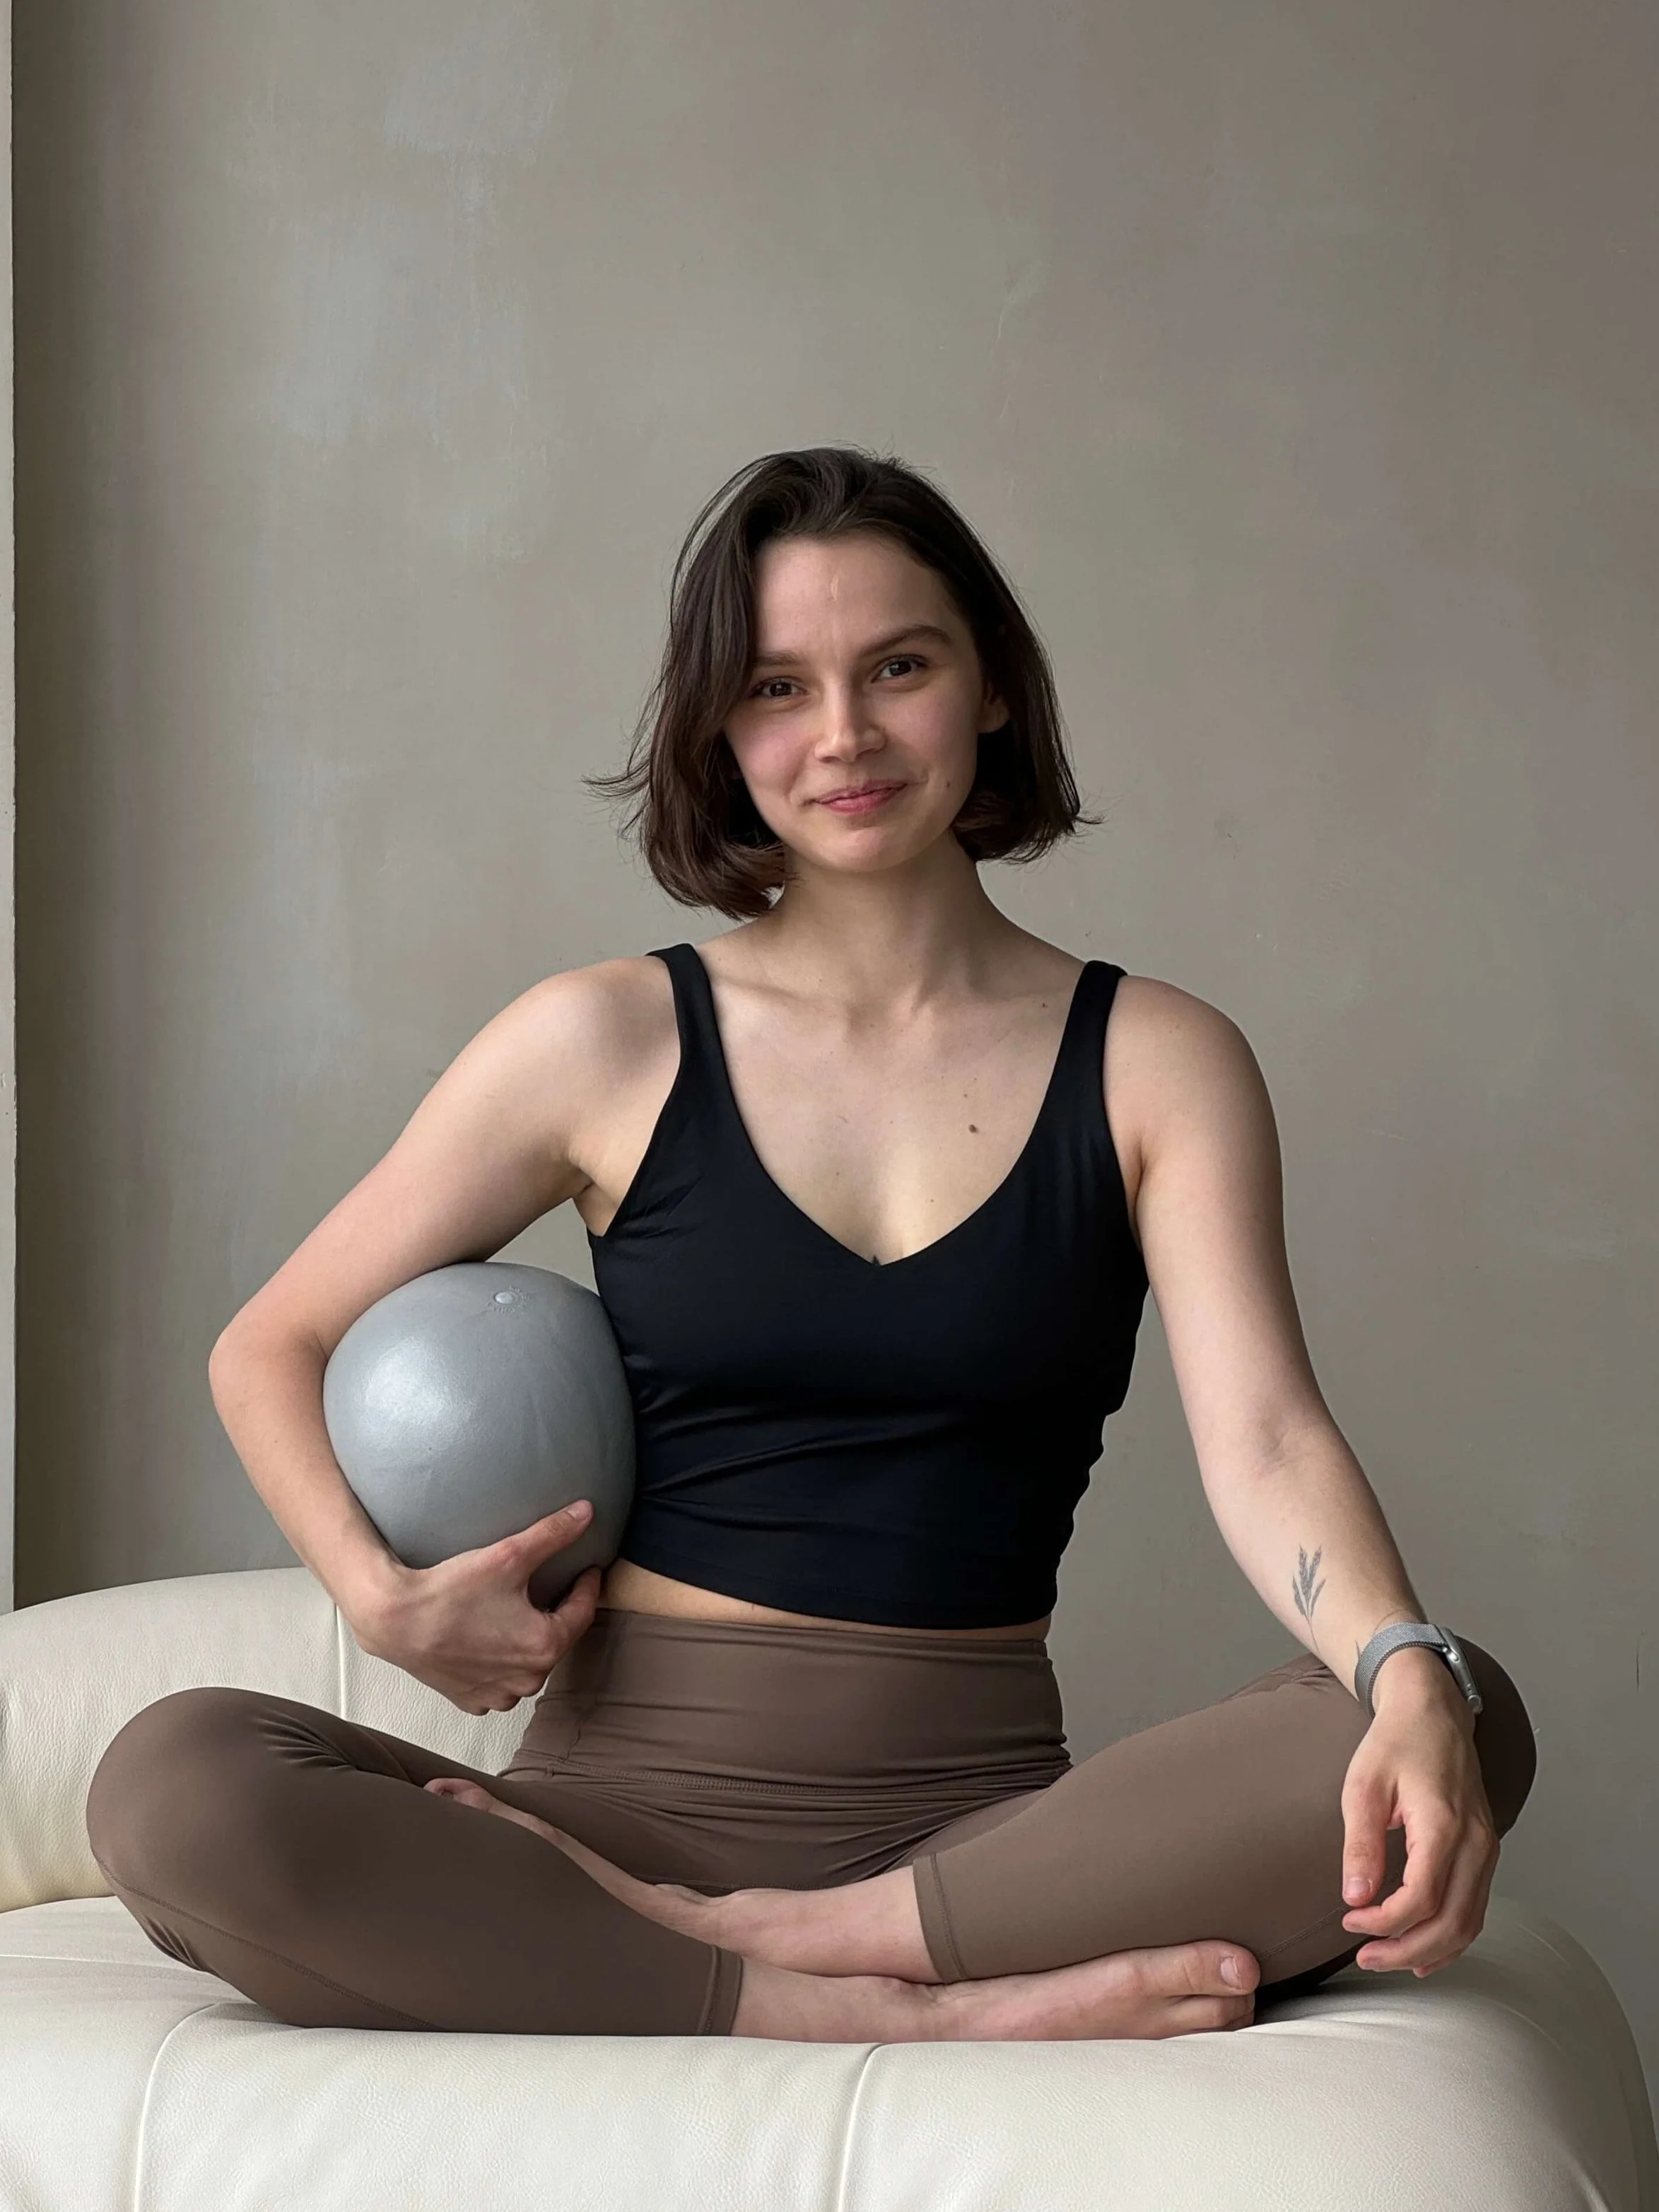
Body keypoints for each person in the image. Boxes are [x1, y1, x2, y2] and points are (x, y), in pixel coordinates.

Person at [86, 446, 1535, 2044]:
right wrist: (379, 1598)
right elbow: (268, 1346)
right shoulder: (603, 1040)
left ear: (988, 686)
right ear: (722, 727)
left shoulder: (1157, 1060)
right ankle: (874, 2010)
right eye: (778, 686)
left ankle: (800, 1945)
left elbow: (1265, 1437)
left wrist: (1399, 1662)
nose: (841, 734)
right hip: (606, 1831)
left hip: (990, 1847)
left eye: (896, 667)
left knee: (1458, 1710)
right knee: (176, 1781)